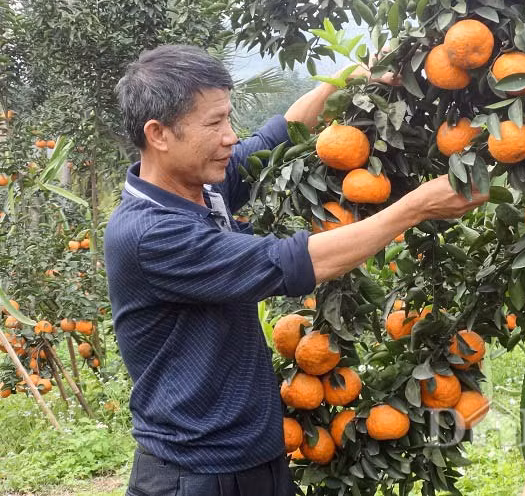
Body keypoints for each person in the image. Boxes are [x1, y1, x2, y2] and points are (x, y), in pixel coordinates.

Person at [105, 45, 488, 496]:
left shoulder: (200, 188)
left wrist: (344, 81)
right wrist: (416, 208)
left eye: (228, 119)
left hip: (256, 454)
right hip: (195, 471)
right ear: (159, 134)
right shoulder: (149, 234)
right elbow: (288, 262)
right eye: (214, 123)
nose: (230, 136)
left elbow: (274, 140)